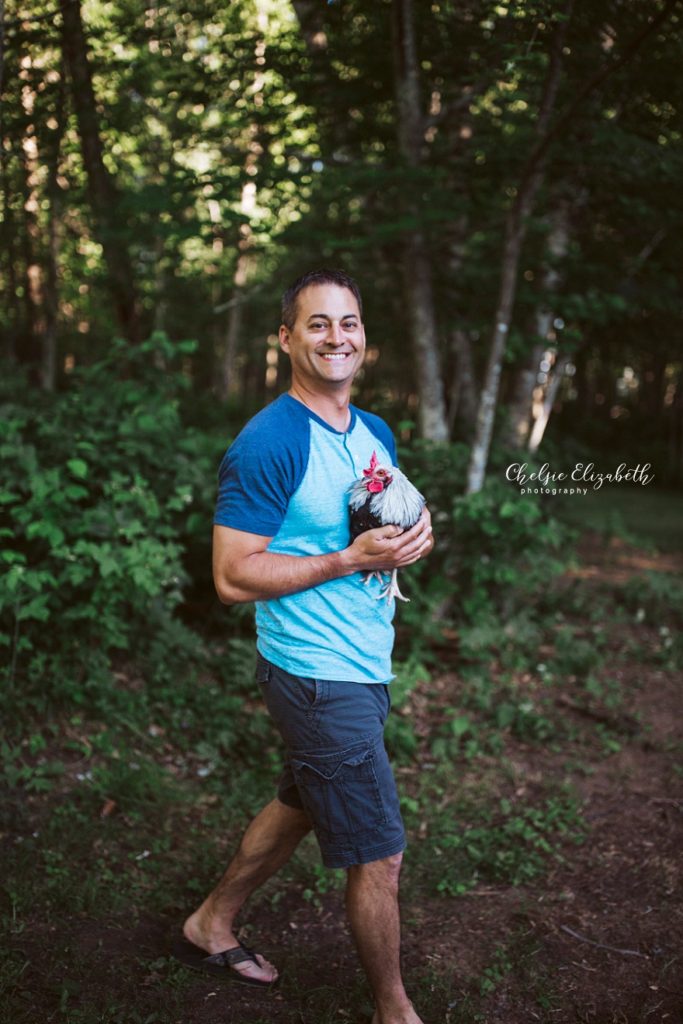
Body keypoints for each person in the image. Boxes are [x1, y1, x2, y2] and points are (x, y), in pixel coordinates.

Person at [175, 268, 433, 1024]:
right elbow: (230, 576)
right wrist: (346, 561)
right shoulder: (270, 443)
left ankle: (209, 922)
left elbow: (390, 509)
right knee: (379, 851)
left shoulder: (371, 430)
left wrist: (415, 533)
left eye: (346, 322)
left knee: (298, 802)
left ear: (364, 338)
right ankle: (394, 1009)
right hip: (317, 674)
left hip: (359, 660)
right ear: (285, 338)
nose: (335, 337)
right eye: (316, 324)